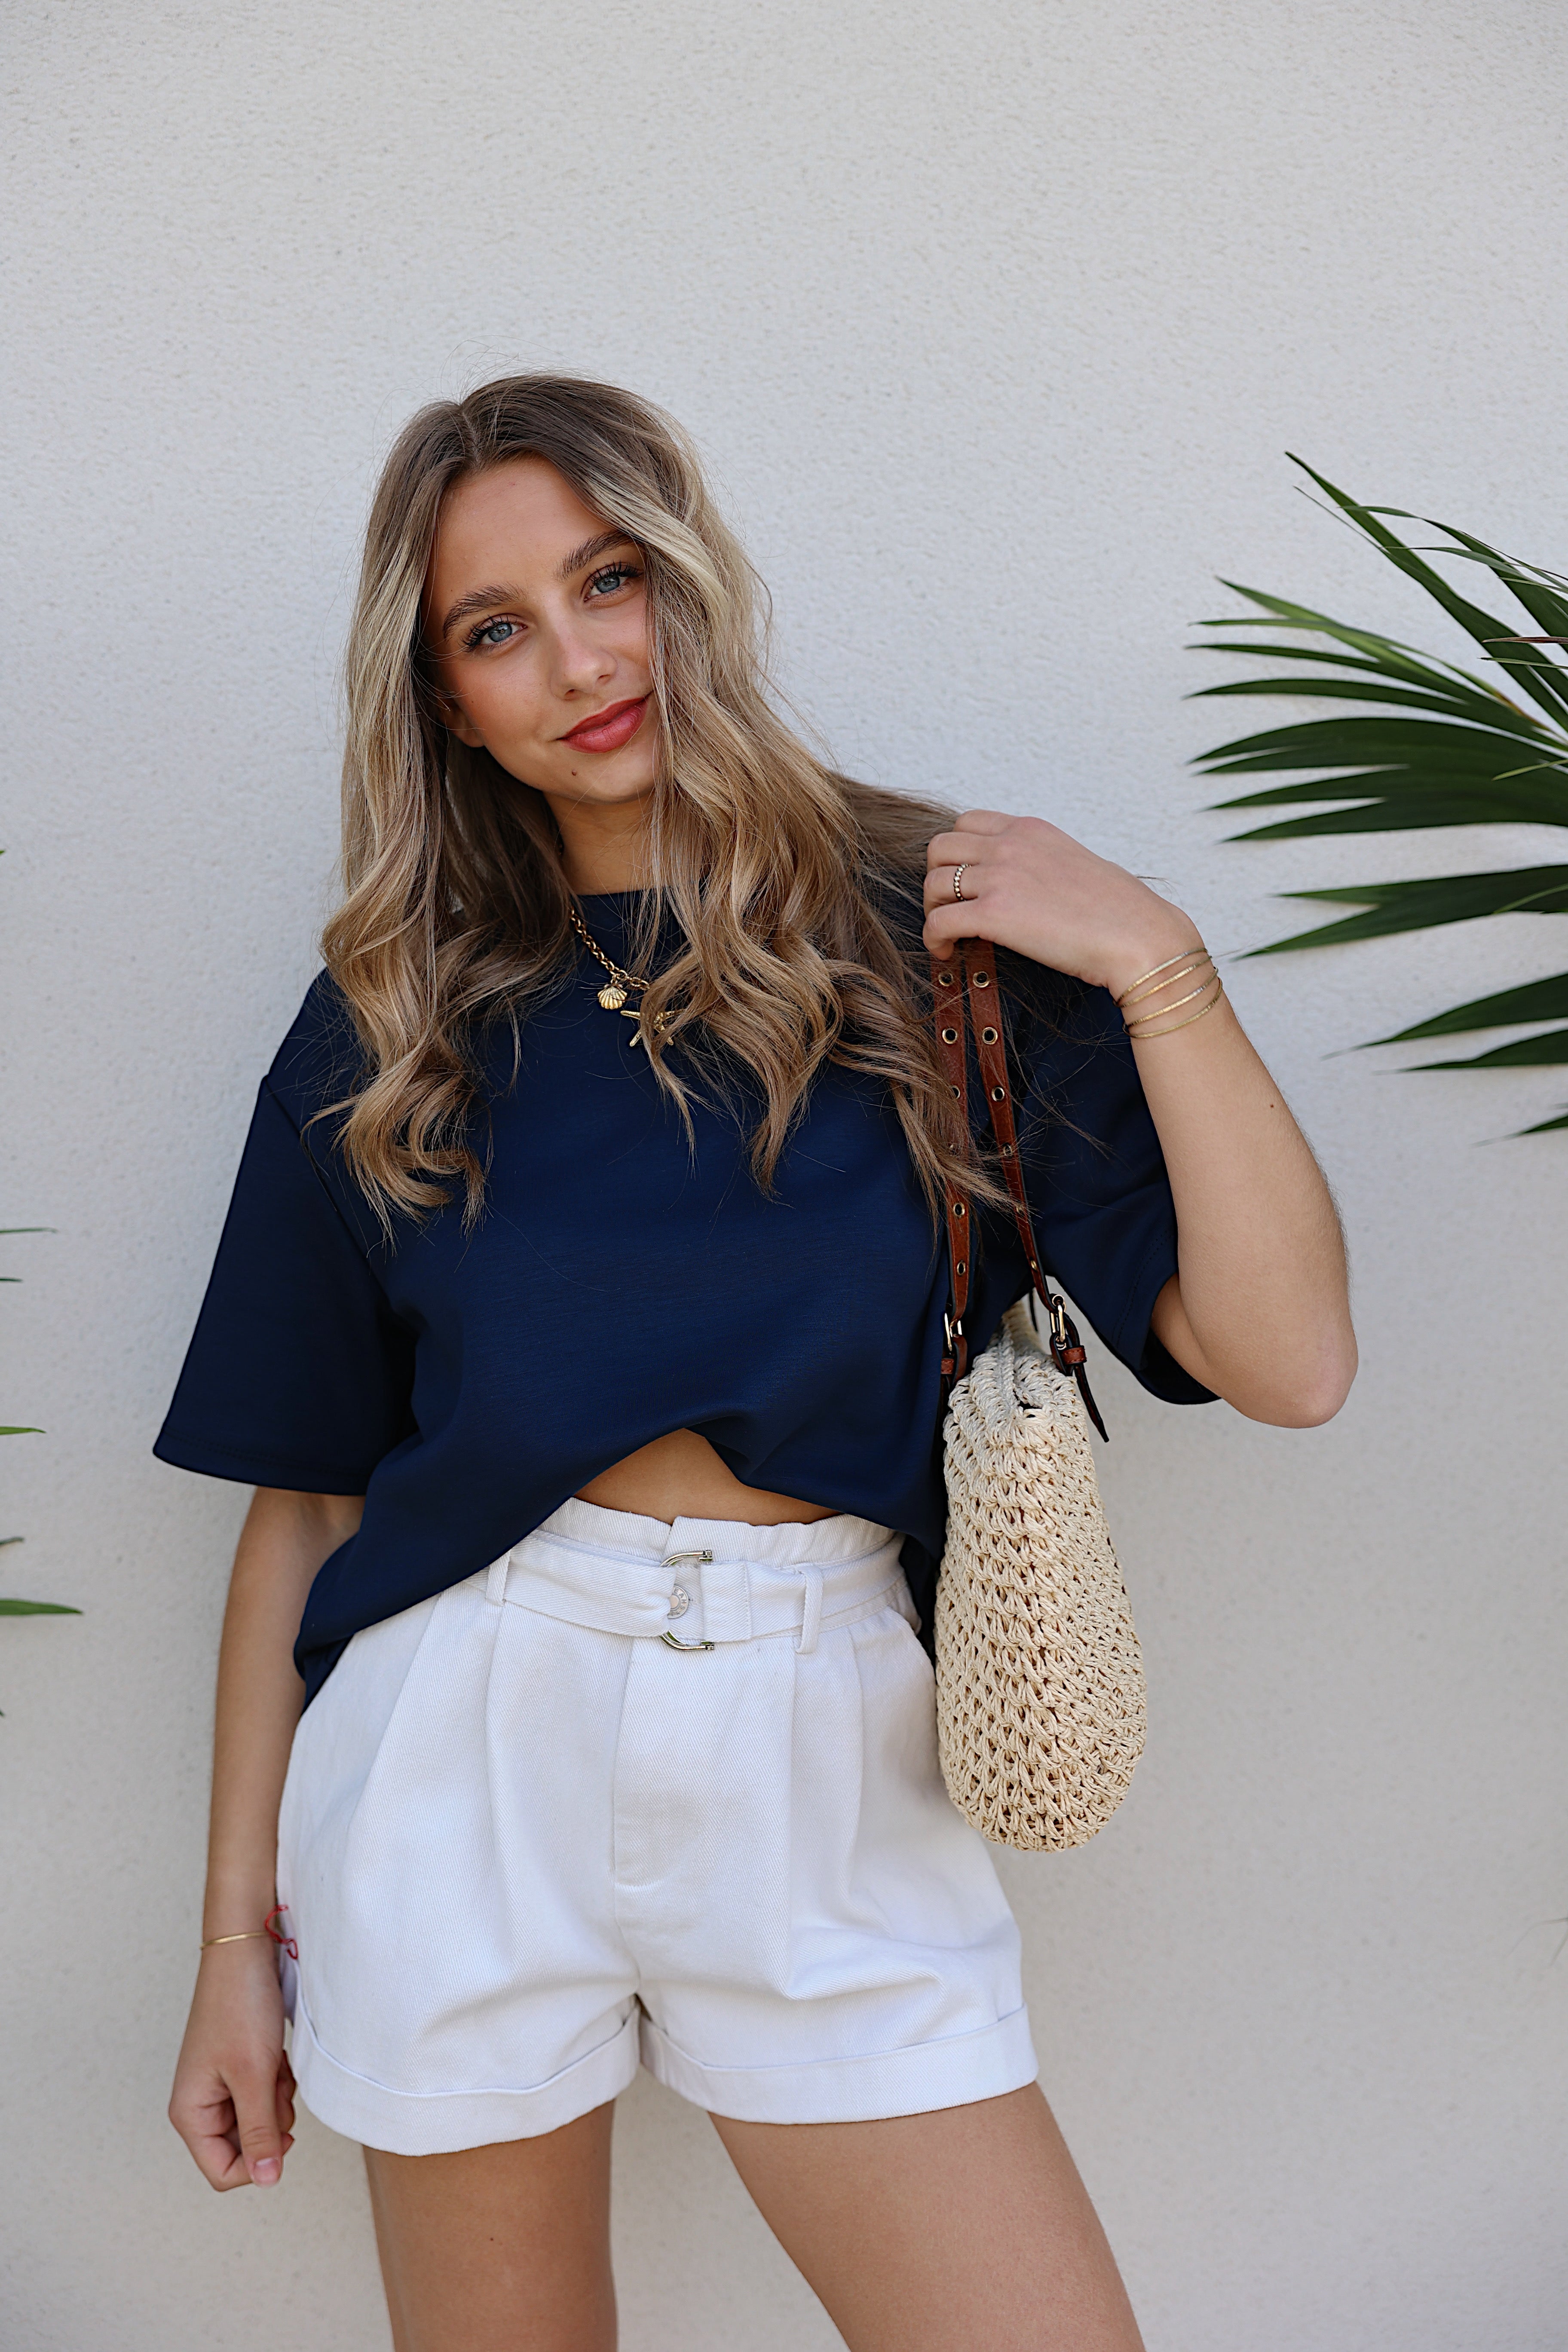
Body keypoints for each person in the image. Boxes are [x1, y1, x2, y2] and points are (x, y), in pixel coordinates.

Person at [160, 375, 1356, 2352]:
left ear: (685, 575)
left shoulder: (940, 934)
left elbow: (1290, 1362)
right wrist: (231, 1940)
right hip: (467, 1734)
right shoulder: (394, 1014)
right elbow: (308, 1506)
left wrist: (1159, 968)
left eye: (607, 580)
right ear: (445, 698)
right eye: (496, 628)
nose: (578, 661)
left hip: (831, 1741)